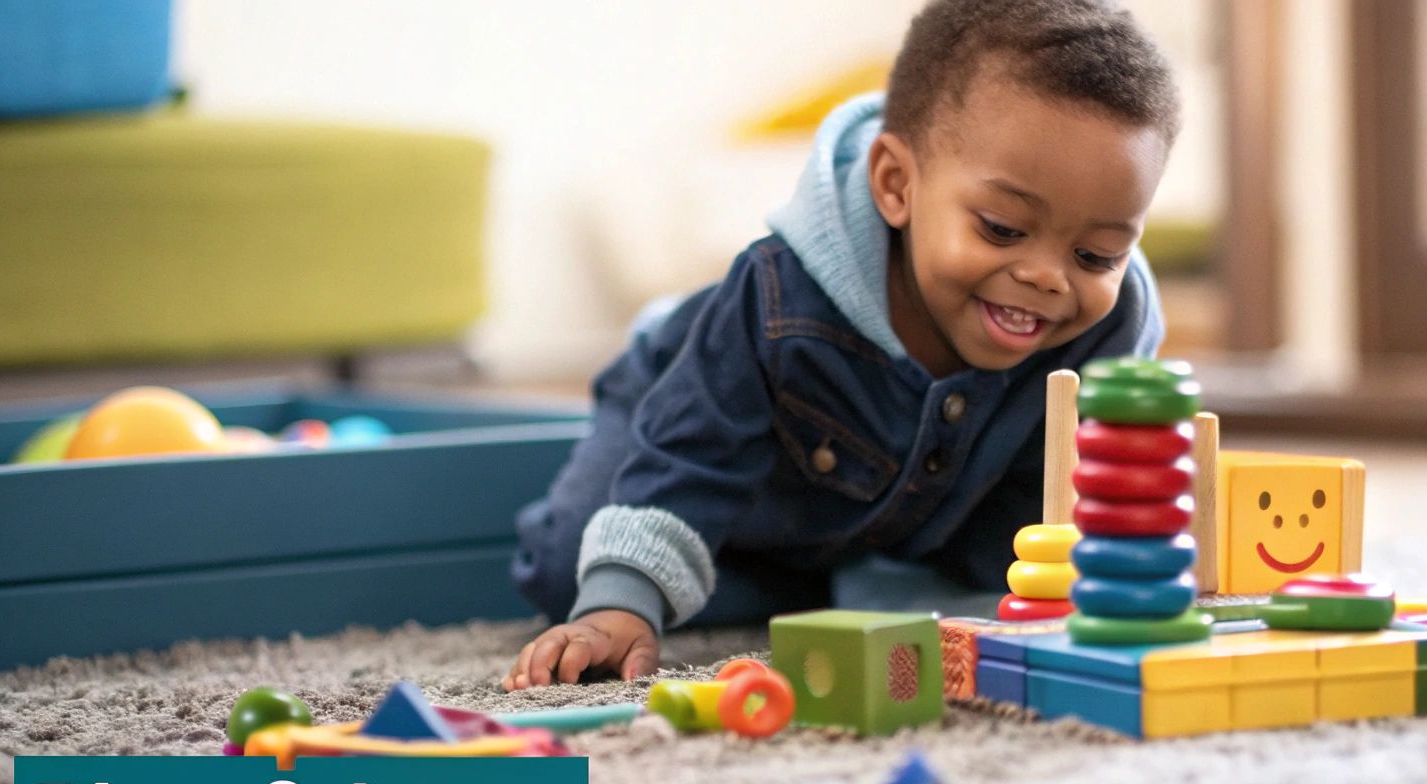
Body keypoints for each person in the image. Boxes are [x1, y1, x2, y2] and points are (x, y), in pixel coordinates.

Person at [505, 0, 1182, 688]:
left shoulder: (1110, 329)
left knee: (989, 578)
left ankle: (852, 574)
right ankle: (812, 572)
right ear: (896, 186)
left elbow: (1073, 497)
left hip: (916, 514)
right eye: (1003, 229)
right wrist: (622, 601)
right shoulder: (780, 296)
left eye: (1095, 255)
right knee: (582, 577)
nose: (1046, 277)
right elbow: (691, 455)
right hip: (699, 409)